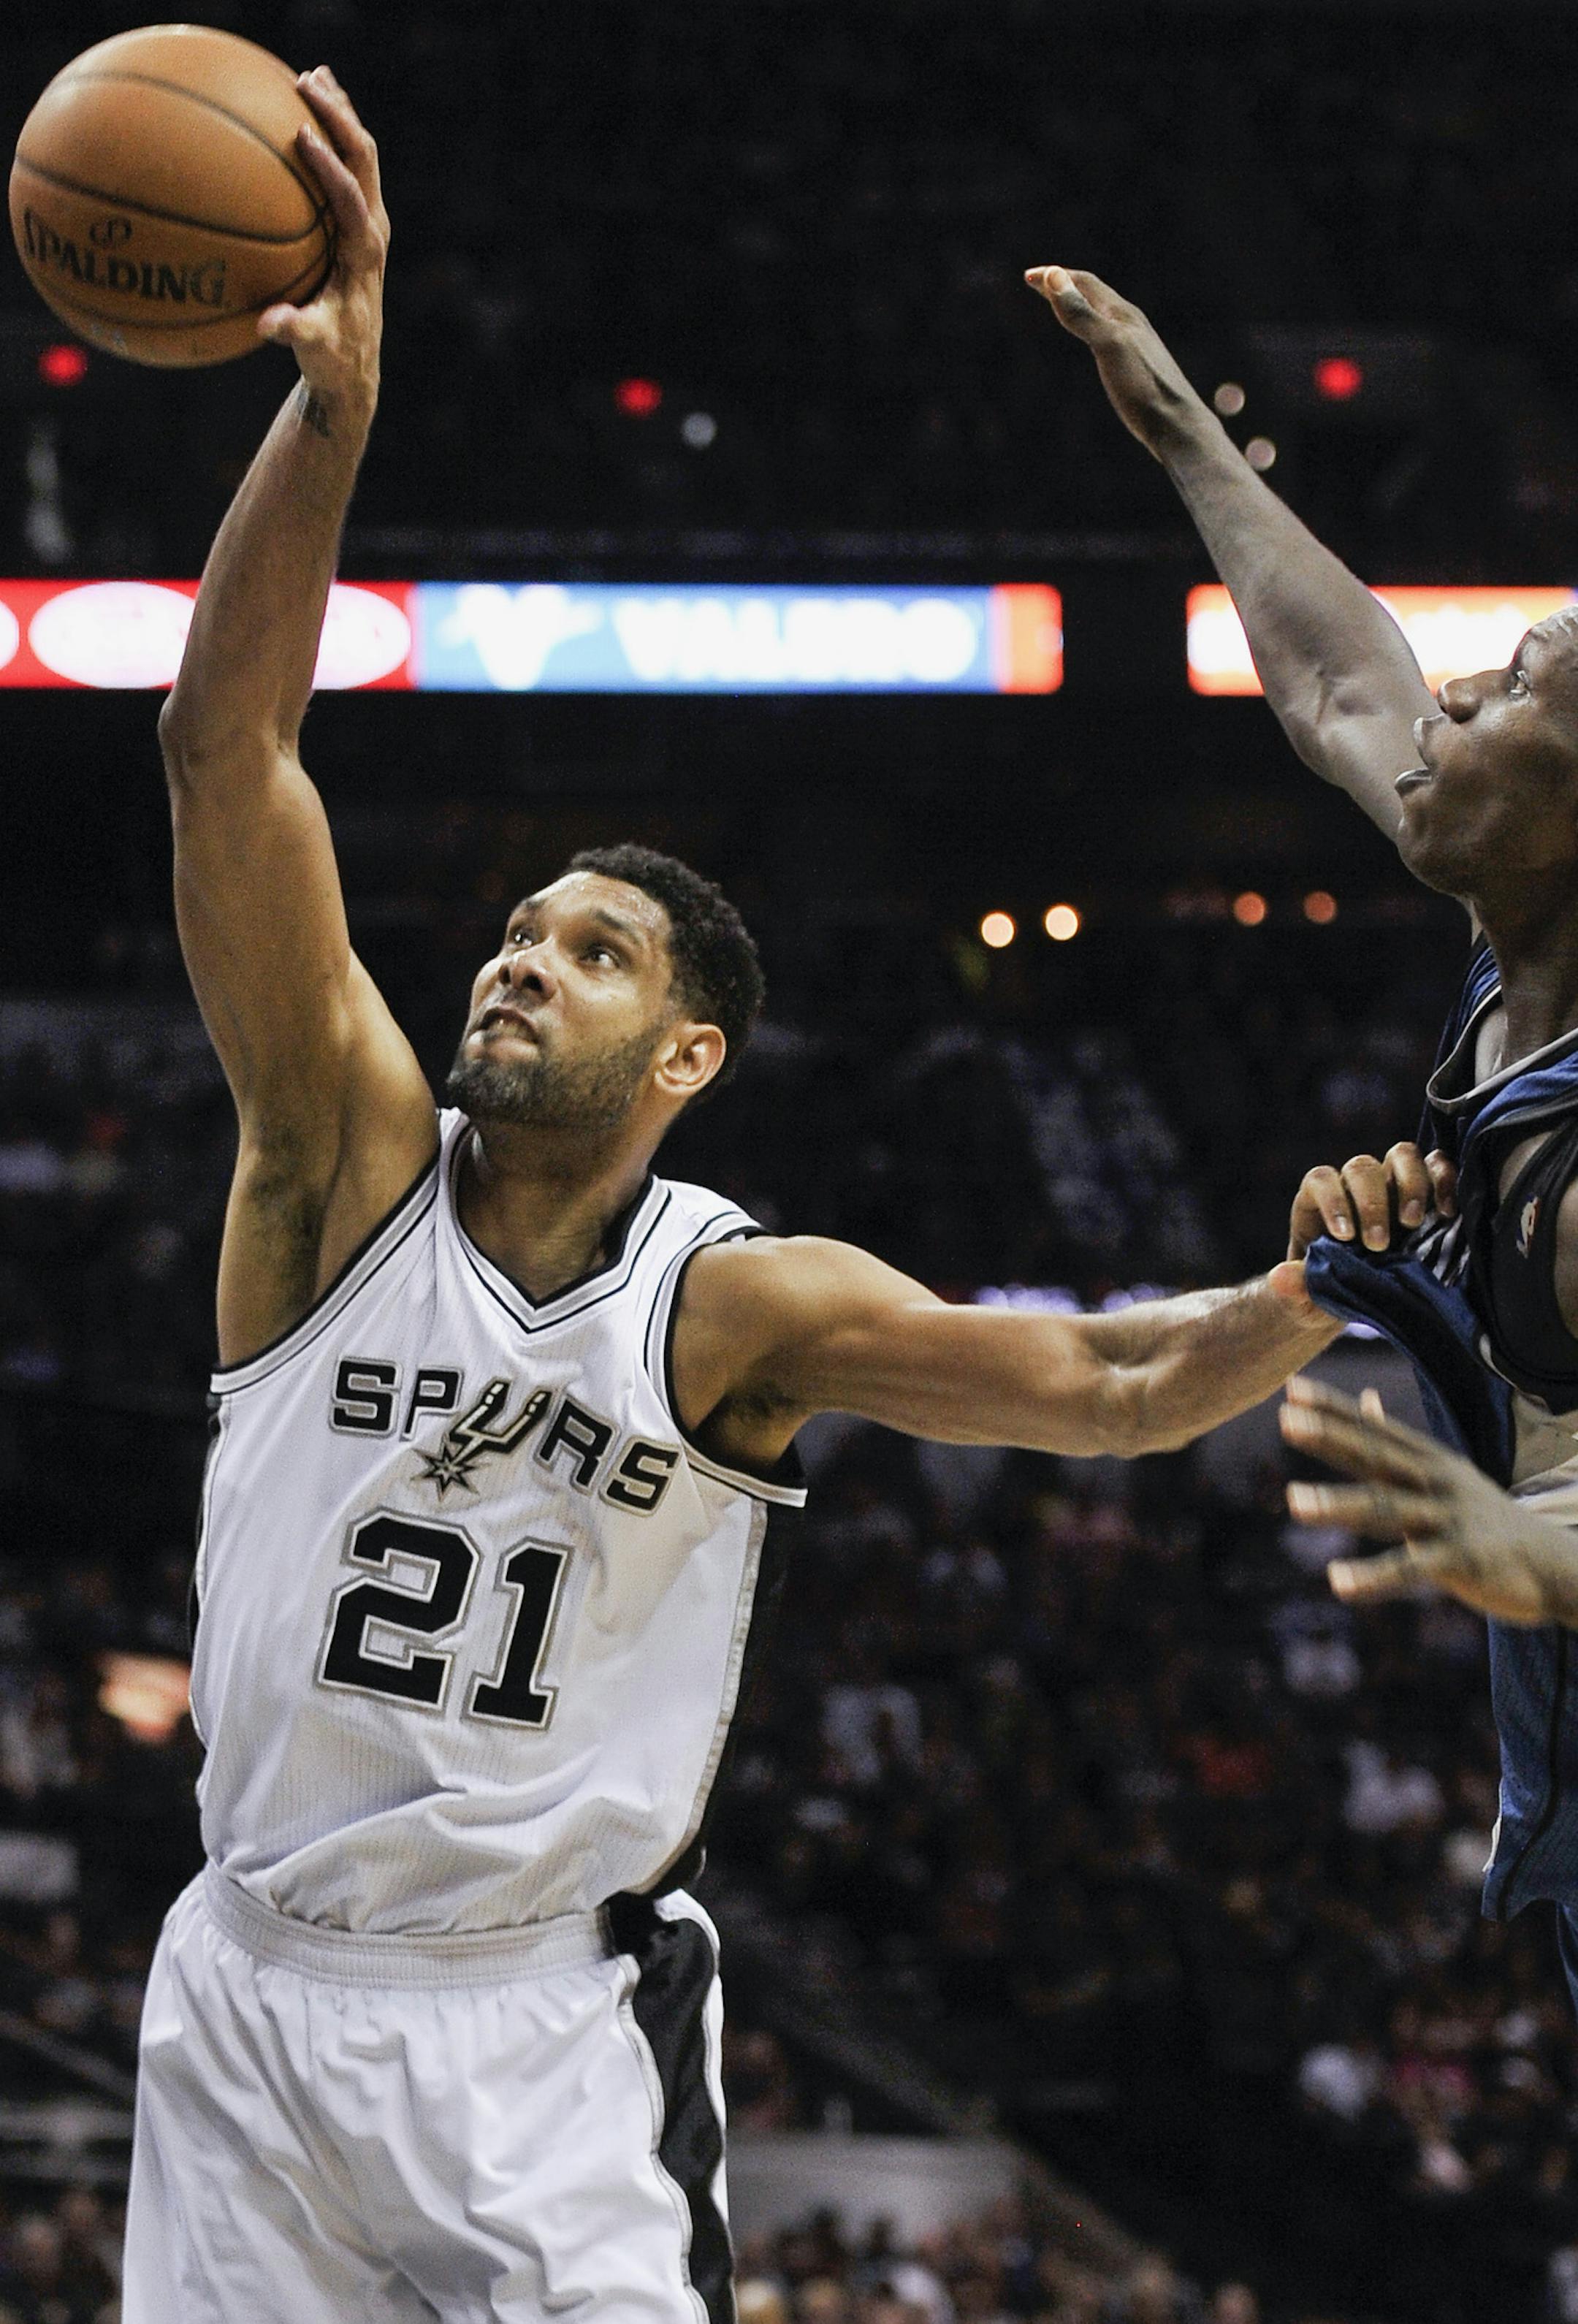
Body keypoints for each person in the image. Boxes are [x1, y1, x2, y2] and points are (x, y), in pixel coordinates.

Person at [121, 75, 1352, 2324]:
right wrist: (332, 413)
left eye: (593, 948)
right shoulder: (330, 1167)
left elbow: (1099, 1382)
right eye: (517, 924)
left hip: (539, 2032)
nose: (519, 953)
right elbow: (229, 751)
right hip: (251, 1990)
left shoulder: (734, 1306)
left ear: (687, 1056)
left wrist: (1313, 1284)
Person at [1029, 262, 1578, 1992]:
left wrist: (1535, 1548)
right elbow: (1341, 686)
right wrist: (1188, 436)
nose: (1451, 704)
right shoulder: (1511, 993)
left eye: (1507, 694)